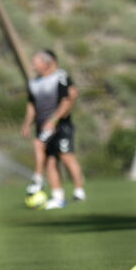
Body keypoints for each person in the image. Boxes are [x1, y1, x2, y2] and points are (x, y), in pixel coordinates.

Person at [20, 50, 86, 210]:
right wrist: (27, 123)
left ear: (46, 63)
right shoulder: (33, 83)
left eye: (35, 62)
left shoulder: (60, 77)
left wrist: (54, 119)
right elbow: (31, 105)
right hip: (43, 126)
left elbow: (67, 100)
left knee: (66, 157)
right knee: (50, 161)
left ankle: (78, 190)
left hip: (60, 125)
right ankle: (57, 197)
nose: (33, 65)